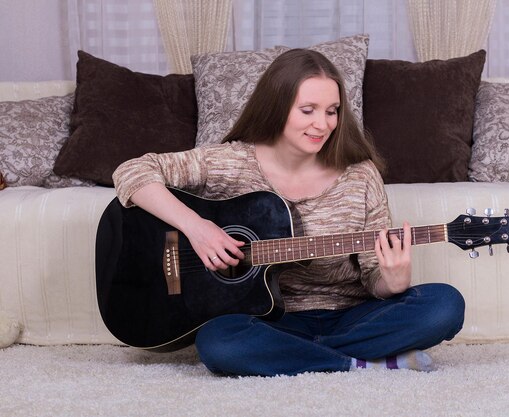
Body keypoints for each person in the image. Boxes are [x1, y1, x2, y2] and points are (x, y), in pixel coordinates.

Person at [112, 48, 465, 377]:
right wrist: (196, 227)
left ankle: (307, 356)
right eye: (307, 110)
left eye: (332, 111)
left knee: (444, 305)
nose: (323, 124)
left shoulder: (360, 175)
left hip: (351, 316)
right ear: (278, 106)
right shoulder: (232, 161)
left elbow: (372, 277)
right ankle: (361, 362)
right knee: (218, 341)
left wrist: (393, 282)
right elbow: (131, 172)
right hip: (269, 320)